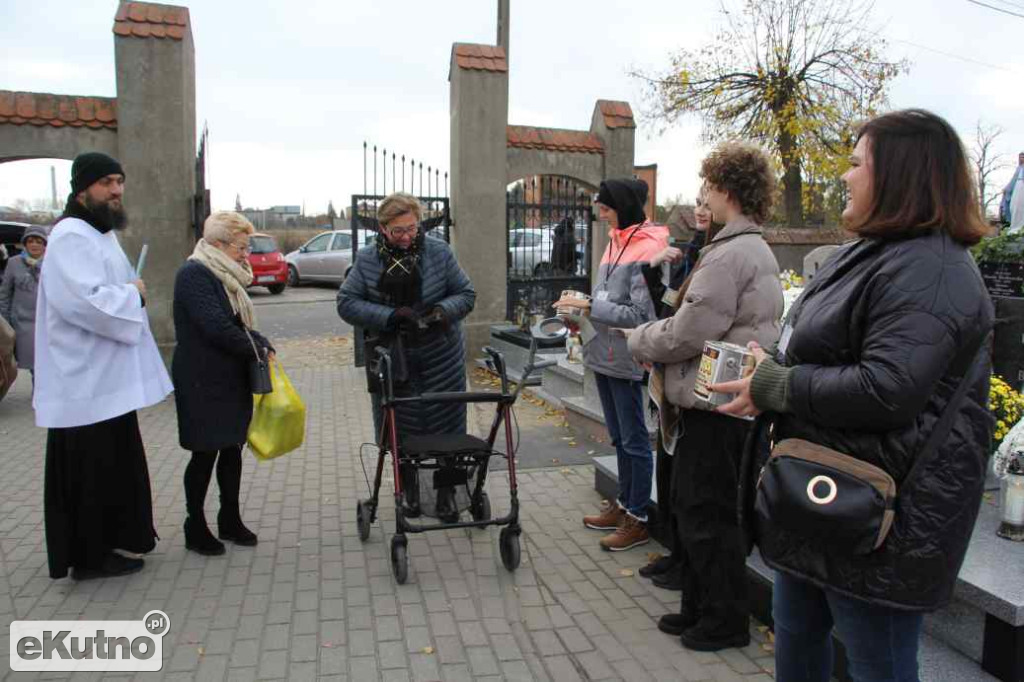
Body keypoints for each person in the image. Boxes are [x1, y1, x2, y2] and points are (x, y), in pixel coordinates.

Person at [715, 109, 994, 681]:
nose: (844, 176)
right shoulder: (873, 254)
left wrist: (780, 384)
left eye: (857, 163)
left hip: (880, 520)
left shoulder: (932, 270)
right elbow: (828, 351)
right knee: (797, 643)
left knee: (877, 666)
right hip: (822, 502)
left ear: (900, 176)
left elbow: (887, 389)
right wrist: (774, 373)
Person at [627, 143, 783, 651]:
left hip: (716, 405)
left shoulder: (733, 252)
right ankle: (698, 606)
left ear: (729, 192)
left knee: (707, 515)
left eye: (710, 186)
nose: (704, 197)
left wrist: (637, 339)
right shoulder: (737, 248)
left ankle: (724, 621)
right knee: (693, 508)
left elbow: (687, 333)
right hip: (714, 400)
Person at [35, 151, 173, 580]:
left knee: (113, 466)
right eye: (106, 182)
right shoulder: (71, 236)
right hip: (83, 383)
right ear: (82, 189)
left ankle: (114, 539)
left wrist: (128, 289)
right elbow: (85, 302)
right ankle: (89, 557)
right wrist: (134, 294)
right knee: (90, 473)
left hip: (103, 381)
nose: (116, 190)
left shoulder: (99, 232)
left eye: (120, 181)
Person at [337, 192, 476, 521]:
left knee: (448, 430)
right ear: (383, 228)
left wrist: (442, 311)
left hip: (441, 355)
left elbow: (466, 294)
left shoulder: (438, 252)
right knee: (401, 429)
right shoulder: (369, 259)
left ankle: (446, 496)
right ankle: (410, 493)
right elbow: (346, 302)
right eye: (398, 231)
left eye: (412, 229)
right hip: (395, 359)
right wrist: (390, 316)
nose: (407, 236)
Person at [556, 178, 668, 552]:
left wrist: (592, 307)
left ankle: (637, 517)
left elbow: (641, 314)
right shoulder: (615, 240)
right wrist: (580, 313)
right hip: (601, 351)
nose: (601, 215)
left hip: (626, 354)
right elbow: (604, 299)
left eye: (605, 208)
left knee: (635, 439)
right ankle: (623, 503)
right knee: (619, 436)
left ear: (621, 206)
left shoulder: (648, 245)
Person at [173, 211, 275, 556]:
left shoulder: (224, 275)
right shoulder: (194, 274)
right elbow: (215, 326)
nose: (245, 254)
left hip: (229, 376)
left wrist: (260, 339)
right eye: (240, 247)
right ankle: (195, 524)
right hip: (202, 379)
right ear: (217, 244)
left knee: (231, 450)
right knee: (204, 453)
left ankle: (229, 518)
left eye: (246, 246)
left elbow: (236, 322)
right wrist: (255, 347)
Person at [636, 189, 712, 590]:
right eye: (697, 203)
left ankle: (686, 560)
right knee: (668, 475)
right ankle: (675, 553)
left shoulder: (714, 255)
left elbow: (688, 321)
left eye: (707, 202)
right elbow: (665, 305)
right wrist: (654, 268)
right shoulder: (689, 252)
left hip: (689, 380)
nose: (700, 210)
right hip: (667, 372)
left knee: (686, 482)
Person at [0, 225, 46, 384]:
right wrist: (6, 322)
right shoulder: (14, 263)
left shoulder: (52, 264)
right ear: (25, 244)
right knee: (33, 363)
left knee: (44, 362)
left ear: (44, 245)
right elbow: (5, 294)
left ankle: (40, 392)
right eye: (31, 241)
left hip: (46, 322)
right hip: (22, 323)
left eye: (39, 241)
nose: (34, 245)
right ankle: (38, 390)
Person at [1000, 151, 1024, 233]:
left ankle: (1020, 226)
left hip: (1022, 188)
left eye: (1023, 157)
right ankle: (1015, 225)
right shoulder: (1018, 168)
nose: (1021, 159)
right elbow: (1013, 180)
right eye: (1020, 157)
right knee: (1013, 206)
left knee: (1020, 206)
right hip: (1017, 188)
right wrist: (1007, 189)